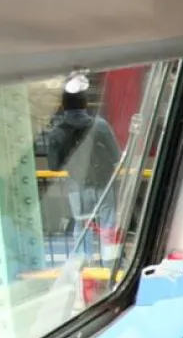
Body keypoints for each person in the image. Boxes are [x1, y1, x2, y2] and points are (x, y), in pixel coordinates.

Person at [40, 87, 122, 251]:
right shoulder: (100, 125)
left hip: (76, 186)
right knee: (108, 226)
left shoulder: (57, 132)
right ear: (85, 104)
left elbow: (53, 166)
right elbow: (116, 156)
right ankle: (109, 261)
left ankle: (83, 261)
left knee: (82, 226)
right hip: (104, 184)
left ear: (63, 105)